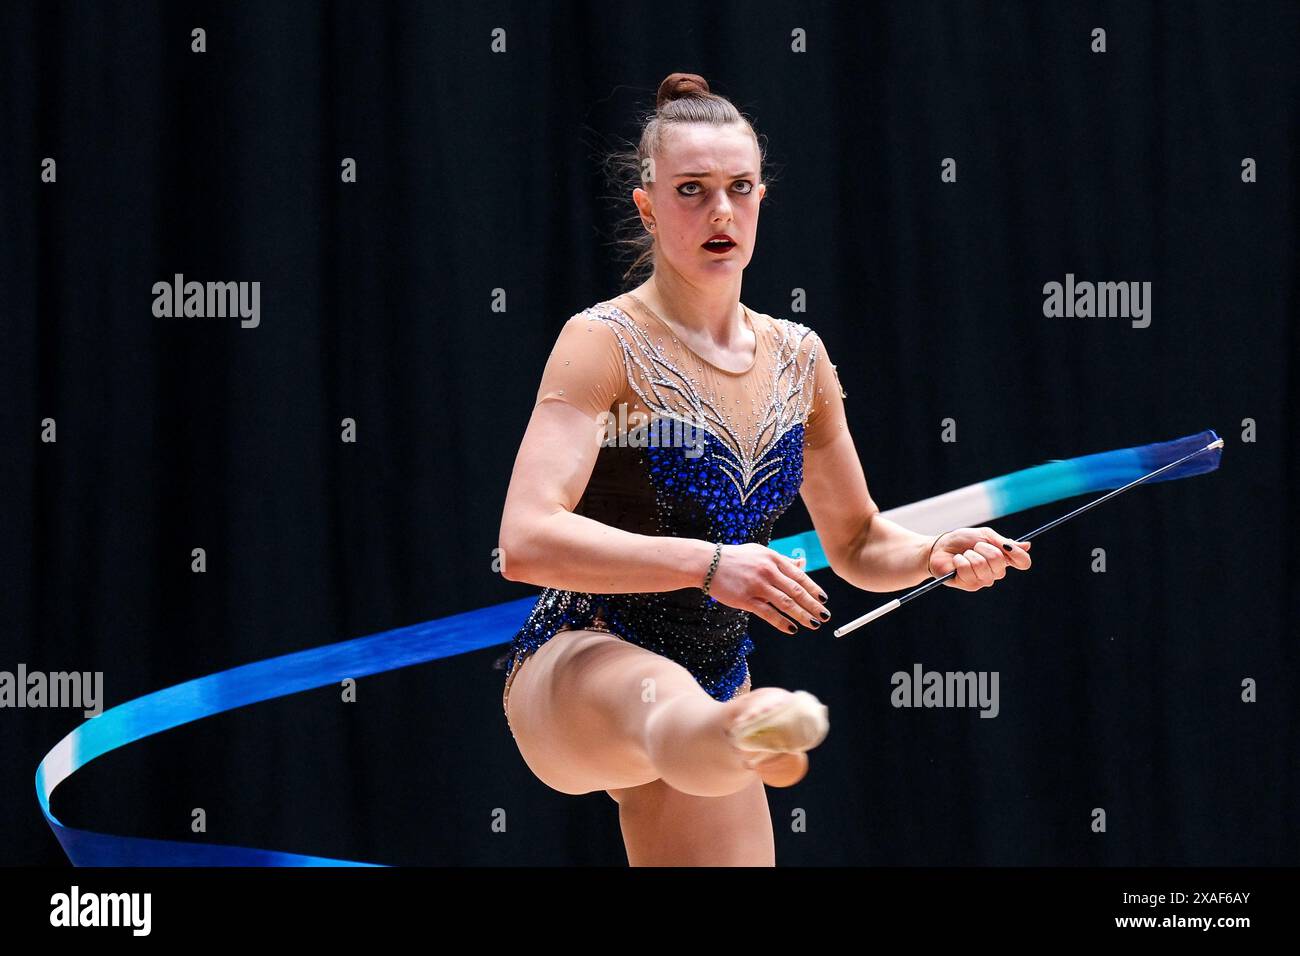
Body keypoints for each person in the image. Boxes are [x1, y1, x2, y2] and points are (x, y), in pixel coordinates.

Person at [496, 72, 1032, 866]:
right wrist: (709, 565)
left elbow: (855, 541)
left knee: (706, 731)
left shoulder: (798, 359)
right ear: (647, 207)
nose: (720, 211)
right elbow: (525, 541)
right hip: (583, 656)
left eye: (739, 188)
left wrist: (931, 555)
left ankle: (746, 735)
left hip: (721, 679)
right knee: (667, 713)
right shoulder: (602, 342)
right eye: (691, 190)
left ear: (760, 198)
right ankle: (745, 733)